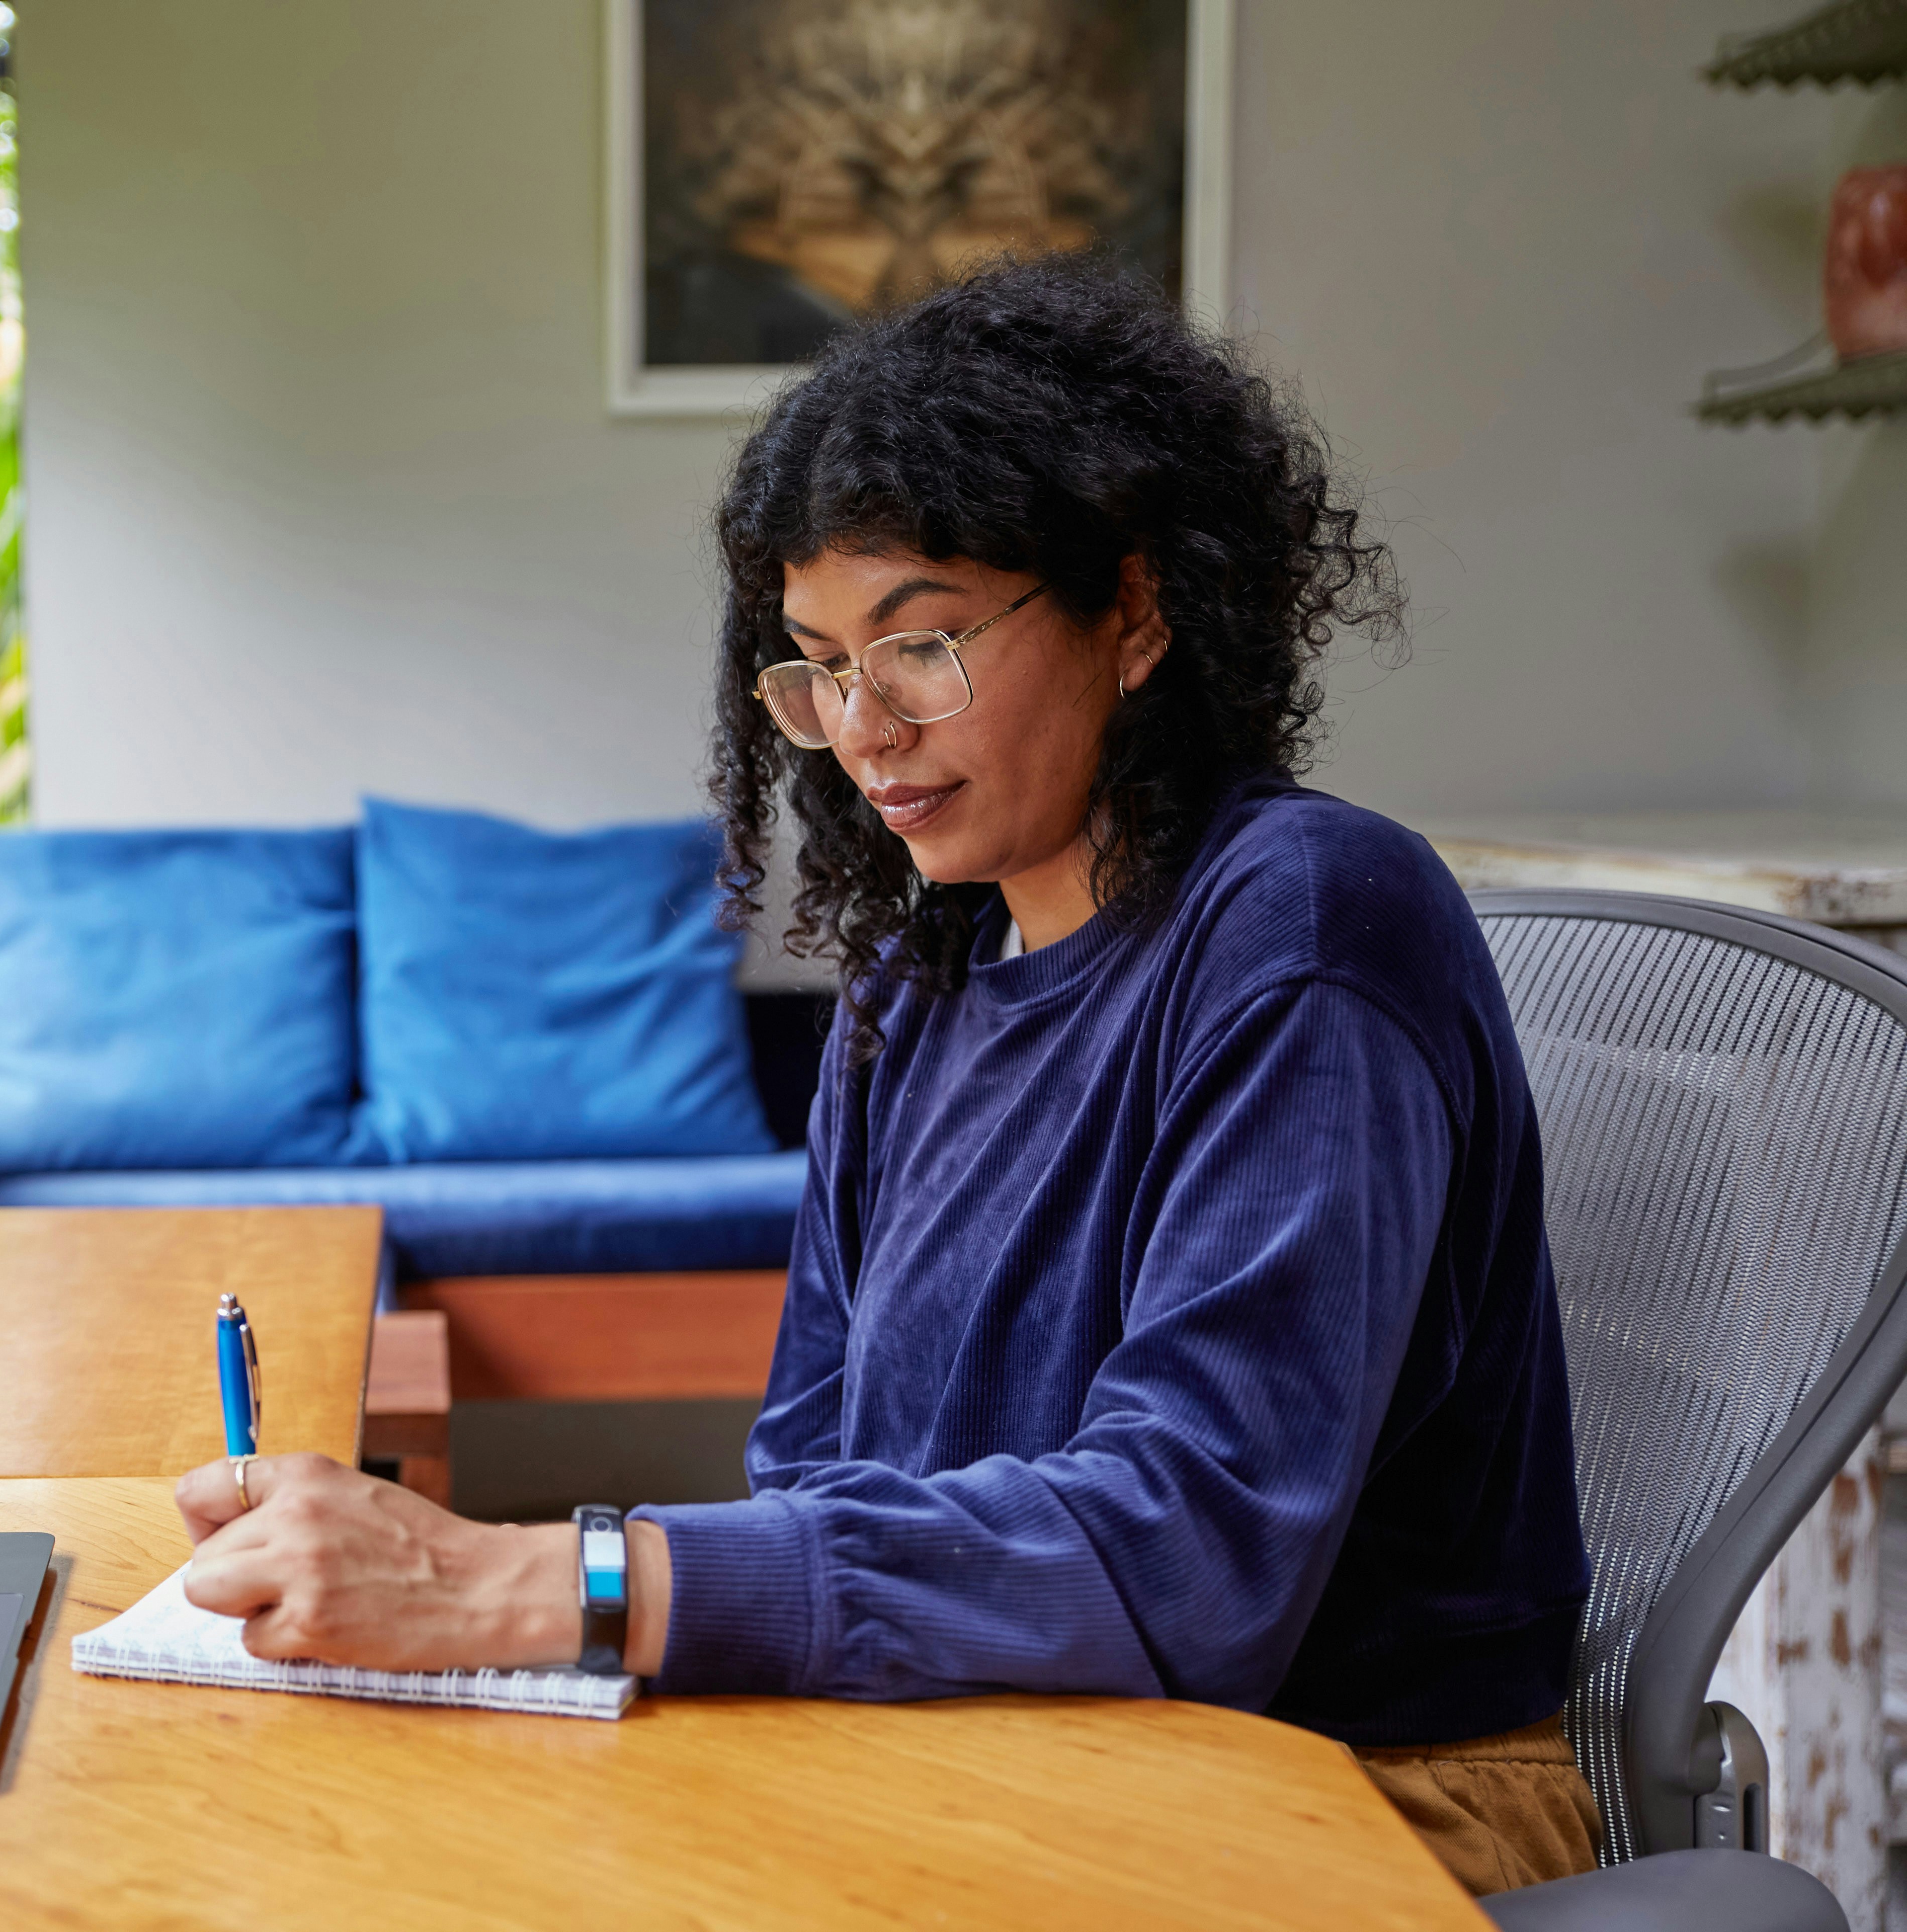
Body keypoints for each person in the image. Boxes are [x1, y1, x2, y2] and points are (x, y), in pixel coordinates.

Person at [173, 254, 1596, 1897]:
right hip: (1005, 1743)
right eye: (819, 665)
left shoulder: (1303, 924)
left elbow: (1187, 1555)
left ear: (1135, 609)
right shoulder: (915, 985)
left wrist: (536, 1583)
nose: (864, 727)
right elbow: (820, 1465)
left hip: (1346, 1788)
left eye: (919, 646)